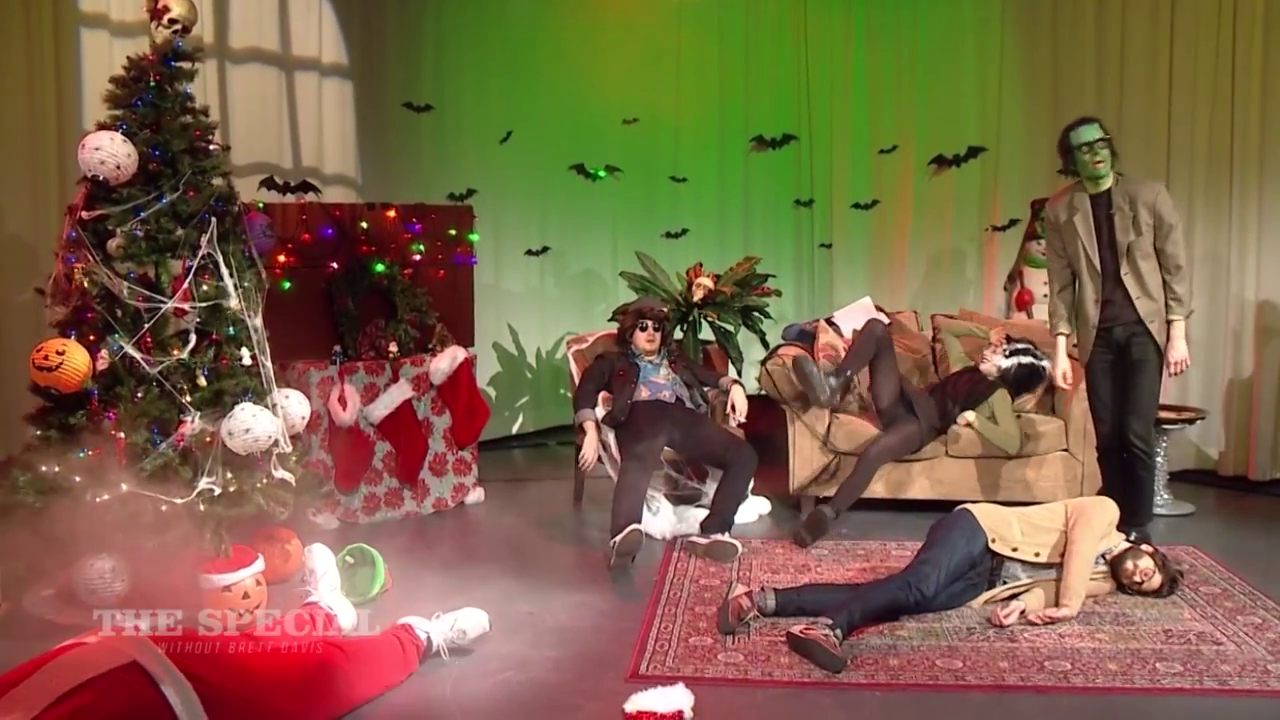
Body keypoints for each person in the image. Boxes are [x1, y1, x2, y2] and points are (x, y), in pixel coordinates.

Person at [0, 544, 491, 719]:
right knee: (273, 660)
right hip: (147, 690)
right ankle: (380, 626)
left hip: (132, 674)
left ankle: (397, 633)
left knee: (312, 673)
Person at [716, 496, 1184, 674]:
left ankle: (760, 600)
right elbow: (1077, 551)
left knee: (901, 596)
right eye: (1148, 570)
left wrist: (1023, 605)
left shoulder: (1103, 581)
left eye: (1141, 586)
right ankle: (827, 629)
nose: (1138, 577)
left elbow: (1051, 589)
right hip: (977, 531)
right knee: (916, 588)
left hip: (984, 581)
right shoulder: (1106, 513)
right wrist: (1073, 603)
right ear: (1146, 549)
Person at [1043, 117, 1192, 544]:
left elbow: (1175, 269)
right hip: (1098, 335)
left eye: (1101, 143)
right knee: (1107, 435)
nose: (1096, 152)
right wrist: (1059, 349)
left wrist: (1178, 334)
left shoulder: (1149, 196)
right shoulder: (1061, 210)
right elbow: (1060, 284)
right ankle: (1110, 520)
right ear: (1071, 160)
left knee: (1136, 432)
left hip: (1144, 330)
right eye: (1084, 148)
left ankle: (1138, 528)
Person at [789, 318, 1050, 546]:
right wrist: (987, 332)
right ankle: (834, 384)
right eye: (992, 348)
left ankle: (827, 514)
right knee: (876, 329)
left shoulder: (999, 395)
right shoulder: (968, 368)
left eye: (998, 353)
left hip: (920, 426)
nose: (988, 352)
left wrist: (975, 420)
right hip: (904, 401)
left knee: (874, 453)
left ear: (1011, 369)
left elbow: (1012, 442)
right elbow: (946, 330)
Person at [574, 296, 756, 567]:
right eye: (643, 326)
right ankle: (624, 534)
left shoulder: (676, 361)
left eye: (656, 327)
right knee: (641, 453)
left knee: (744, 455)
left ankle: (714, 530)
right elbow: (585, 392)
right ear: (630, 332)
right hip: (639, 415)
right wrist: (590, 431)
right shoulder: (612, 361)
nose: (651, 333)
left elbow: (708, 376)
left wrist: (735, 386)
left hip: (681, 417)